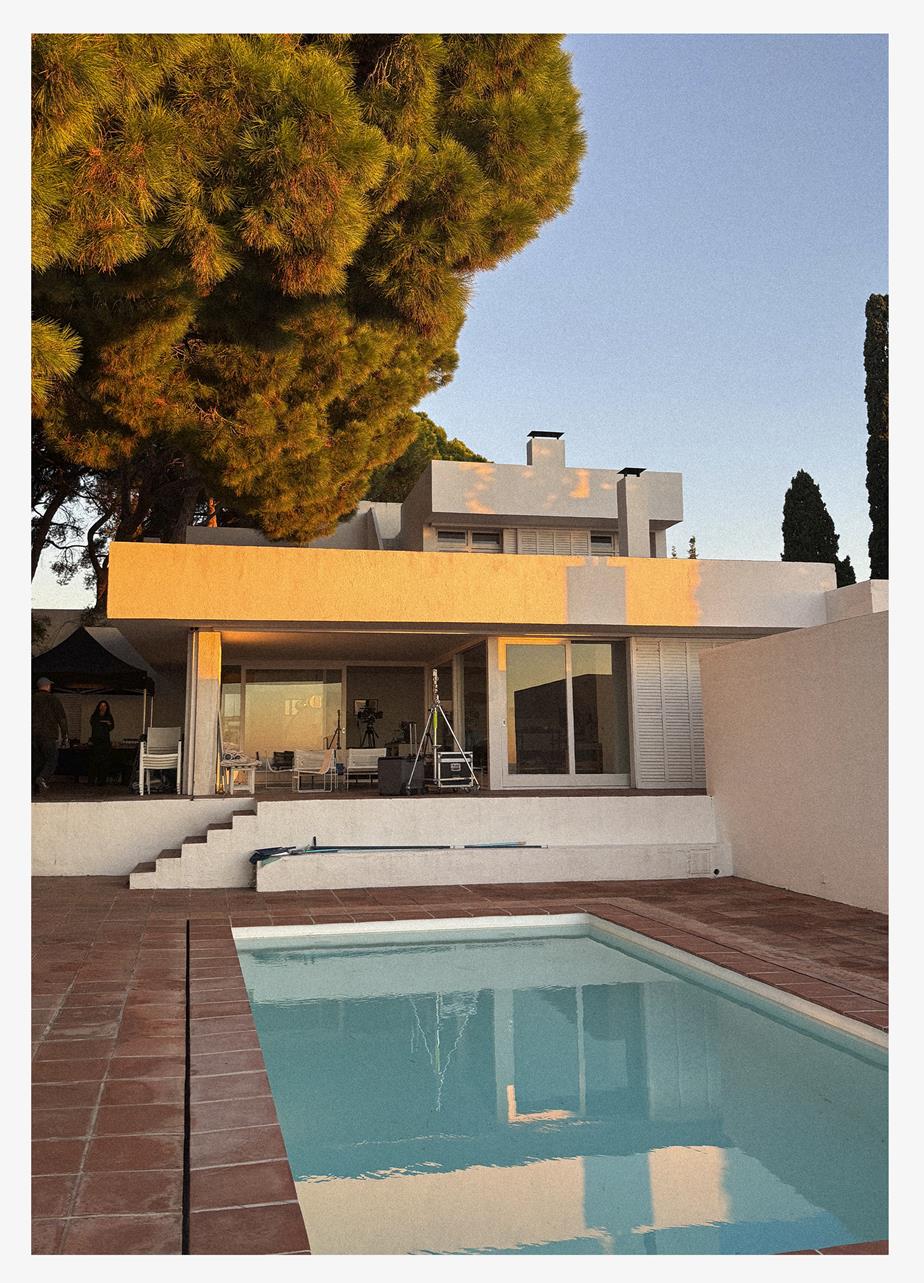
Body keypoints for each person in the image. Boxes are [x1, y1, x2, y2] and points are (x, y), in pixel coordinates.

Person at [32, 677, 68, 793]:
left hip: (33, 735)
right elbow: (62, 719)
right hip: (48, 735)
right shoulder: (53, 699)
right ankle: (42, 778)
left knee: (36, 761)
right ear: (47, 686)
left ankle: (34, 789)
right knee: (51, 760)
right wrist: (65, 736)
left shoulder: (31, 699)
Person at [87, 700, 115, 786]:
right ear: (98, 707)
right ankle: (91, 781)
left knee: (104, 763)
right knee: (93, 762)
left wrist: (107, 724)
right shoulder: (94, 716)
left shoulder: (109, 716)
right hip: (95, 742)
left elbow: (111, 727)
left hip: (105, 743)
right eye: (101, 706)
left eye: (105, 706)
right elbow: (93, 726)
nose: (103, 707)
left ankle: (101, 781)